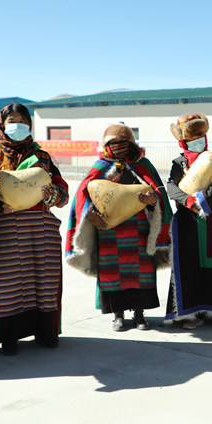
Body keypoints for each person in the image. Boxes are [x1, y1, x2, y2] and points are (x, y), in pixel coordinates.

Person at [0, 104, 69, 355]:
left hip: (41, 227)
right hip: (5, 229)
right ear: (2, 125)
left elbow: (63, 192)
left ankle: (45, 332)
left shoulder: (43, 157)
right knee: (9, 284)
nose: (17, 125)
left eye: (22, 121)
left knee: (43, 281)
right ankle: (9, 337)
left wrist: (53, 195)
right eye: (11, 120)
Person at [65, 124, 172, 332]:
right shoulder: (100, 166)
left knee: (141, 272)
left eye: (123, 143)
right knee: (112, 273)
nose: (118, 147)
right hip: (109, 231)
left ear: (132, 144)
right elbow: (83, 194)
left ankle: (140, 314)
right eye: (113, 143)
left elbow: (158, 193)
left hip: (140, 229)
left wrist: (152, 200)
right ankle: (118, 315)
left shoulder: (144, 165)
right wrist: (92, 216)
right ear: (106, 145)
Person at [164, 113, 212, 328]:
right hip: (187, 222)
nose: (198, 142)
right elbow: (171, 186)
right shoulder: (179, 163)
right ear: (183, 141)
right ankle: (191, 313)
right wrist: (189, 201)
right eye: (193, 139)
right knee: (188, 264)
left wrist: (204, 200)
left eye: (201, 136)